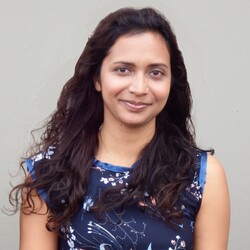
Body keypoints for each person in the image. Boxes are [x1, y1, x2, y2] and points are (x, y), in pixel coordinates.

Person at [10, 7, 230, 250]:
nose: (139, 87)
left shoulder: (203, 177)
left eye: (156, 72)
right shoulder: (47, 174)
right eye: (123, 69)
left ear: (170, 82)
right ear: (97, 78)